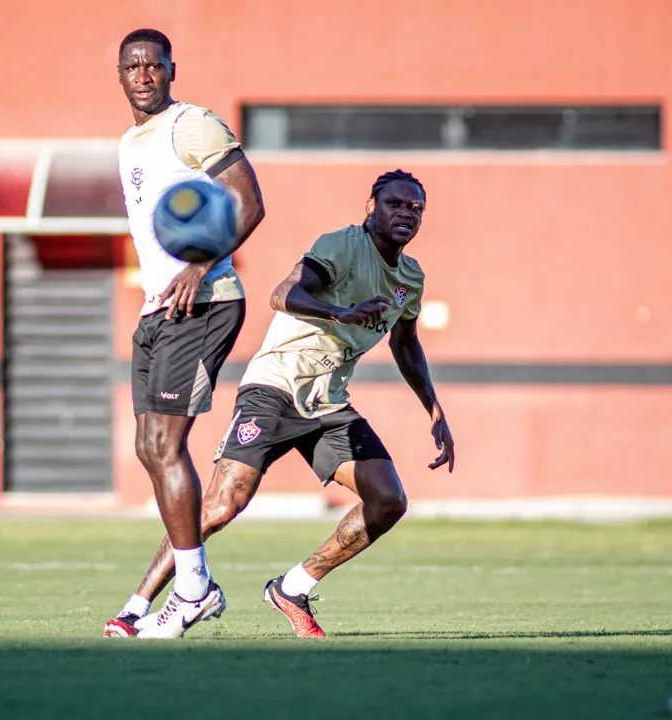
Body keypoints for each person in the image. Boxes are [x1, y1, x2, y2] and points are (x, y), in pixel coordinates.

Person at [109, 169, 455, 638]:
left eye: (415, 209)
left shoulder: (410, 279)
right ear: (371, 207)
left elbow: (406, 344)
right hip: (274, 389)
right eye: (395, 204)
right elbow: (282, 294)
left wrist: (433, 409)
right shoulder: (342, 245)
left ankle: (293, 587)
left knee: (388, 500)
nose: (406, 215)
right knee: (221, 505)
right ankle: (136, 607)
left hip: (328, 403)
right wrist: (340, 312)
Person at [105, 28, 266, 640]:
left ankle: (194, 591)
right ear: (119, 75)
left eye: (153, 64)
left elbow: (248, 200)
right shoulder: (128, 142)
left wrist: (201, 266)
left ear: (172, 68)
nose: (143, 74)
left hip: (207, 301)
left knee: (167, 446)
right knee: (149, 448)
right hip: (157, 311)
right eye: (131, 66)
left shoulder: (191, 124)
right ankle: (193, 586)